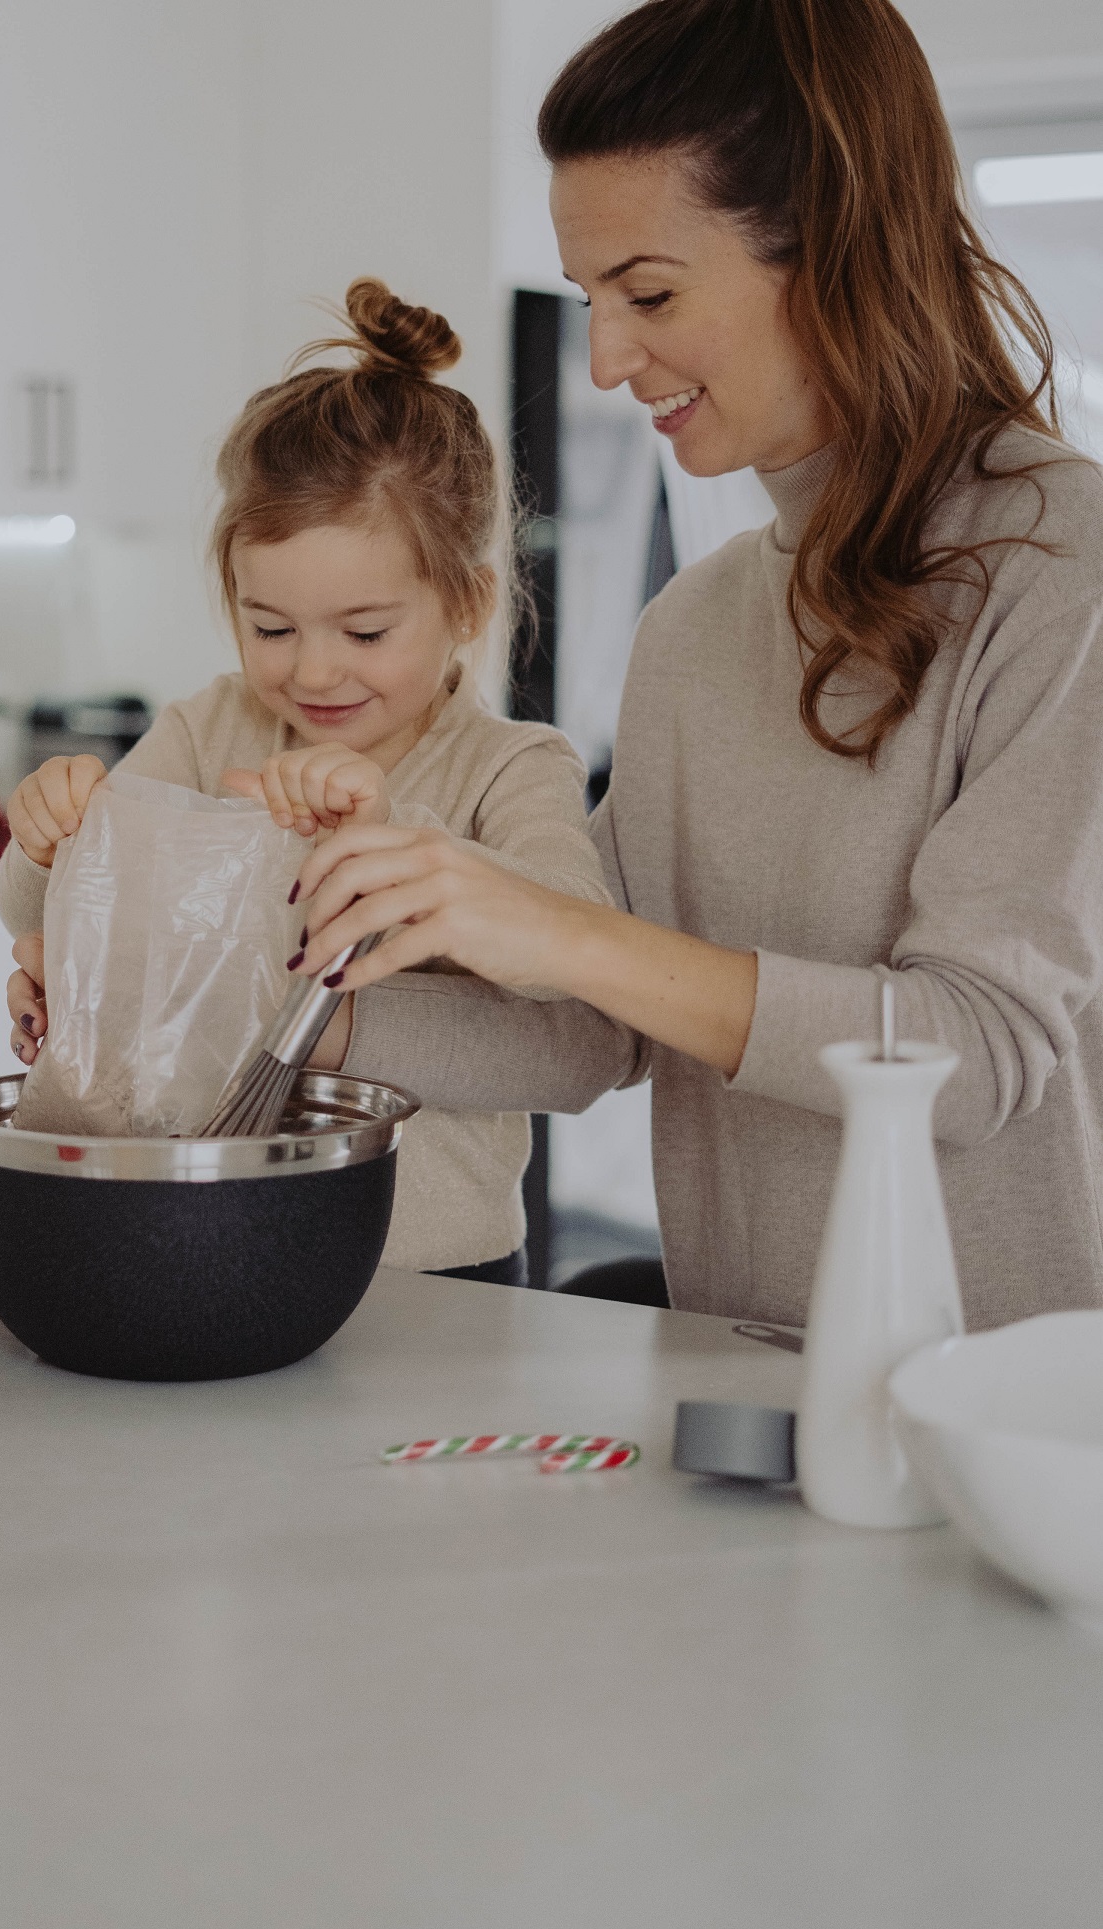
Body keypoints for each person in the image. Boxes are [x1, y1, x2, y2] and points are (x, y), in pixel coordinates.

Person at [279, 0, 1103, 1332]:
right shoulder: (694, 625)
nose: (605, 359)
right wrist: (264, 999)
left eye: (647, 293)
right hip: (737, 1401)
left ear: (829, 248)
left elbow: (975, 1052)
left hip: (991, 1425)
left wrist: (559, 927)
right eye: (591, 297)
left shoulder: (1059, 562)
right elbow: (586, 1031)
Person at [0, 279, 609, 1285]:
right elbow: (35, 912)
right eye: (270, 628)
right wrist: (51, 835)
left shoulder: (511, 768)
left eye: (365, 632)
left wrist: (390, 839)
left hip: (435, 1281)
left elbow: (571, 970)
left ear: (467, 605)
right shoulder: (211, 727)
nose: (312, 673)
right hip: (205, 1239)